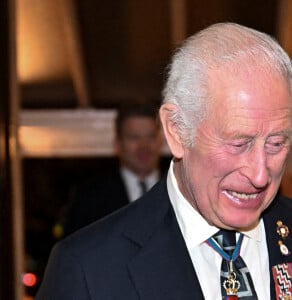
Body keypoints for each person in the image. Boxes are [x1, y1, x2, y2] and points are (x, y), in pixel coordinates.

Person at [36, 22, 292, 300]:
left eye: (276, 143)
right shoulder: (88, 268)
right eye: (238, 143)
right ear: (177, 130)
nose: (260, 175)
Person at [62, 102, 164, 236]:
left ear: (161, 141)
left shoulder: (182, 190)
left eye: (151, 137)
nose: (144, 146)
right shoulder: (89, 197)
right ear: (118, 144)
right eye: (134, 138)